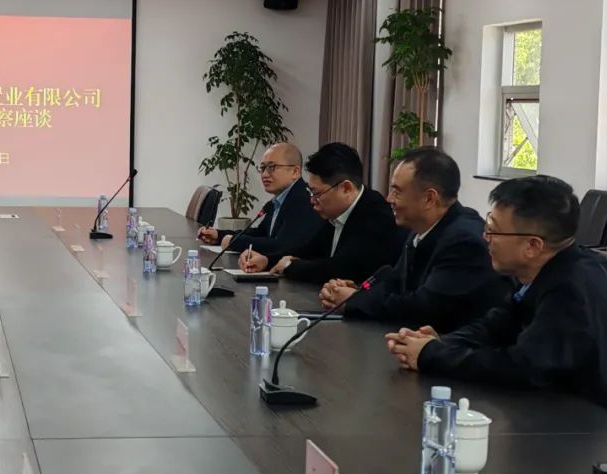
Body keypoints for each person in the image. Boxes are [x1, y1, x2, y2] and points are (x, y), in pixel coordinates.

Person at [386, 175, 607, 428]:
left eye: (493, 232)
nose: (485, 238)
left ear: (532, 246)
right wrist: (441, 343)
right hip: (568, 418)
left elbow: (523, 368)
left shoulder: (572, 286)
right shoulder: (545, 269)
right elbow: (496, 325)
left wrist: (432, 356)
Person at [321, 147, 509, 332]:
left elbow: (423, 308)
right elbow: (395, 283)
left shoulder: (464, 241)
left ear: (429, 199)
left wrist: (355, 301)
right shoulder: (419, 229)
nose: (389, 199)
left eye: (397, 191)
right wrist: (359, 291)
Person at [239, 142, 404, 284]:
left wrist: (290, 266)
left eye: (316, 194)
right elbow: (308, 252)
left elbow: (340, 269)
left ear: (346, 188)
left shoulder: (374, 214)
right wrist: (267, 260)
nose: (312, 200)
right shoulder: (336, 214)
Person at [197, 142, 324, 257]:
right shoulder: (279, 200)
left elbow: (282, 246)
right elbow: (261, 233)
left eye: (272, 167)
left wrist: (234, 242)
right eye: (262, 168)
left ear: (295, 172)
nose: (264, 174)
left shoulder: (304, 200)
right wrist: (220, 235)